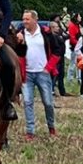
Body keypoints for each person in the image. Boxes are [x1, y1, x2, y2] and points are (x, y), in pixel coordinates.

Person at [15, 10, 59, 141]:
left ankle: (51, 127)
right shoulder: (21, 34)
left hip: (42, 73)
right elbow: (19, 54)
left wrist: (48, 68)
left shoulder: (46, 33)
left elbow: (57, 51)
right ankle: (30, 131)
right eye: (23, 19)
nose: (24, 22)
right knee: (28, 102)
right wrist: (20, 43)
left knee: (48, 102)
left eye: (27, 19)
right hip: (27, 74)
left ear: (35, 20)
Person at [66, 13, 82, 83]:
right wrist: (79, 44)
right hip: (74, 46)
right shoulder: (72, 25)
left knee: (79, 62)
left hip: (78, 46)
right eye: (79, 16)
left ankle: (79, 78)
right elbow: (72, 37)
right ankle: (70, 79)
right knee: (73, 63)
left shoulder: (77, 25)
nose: (80, 17)